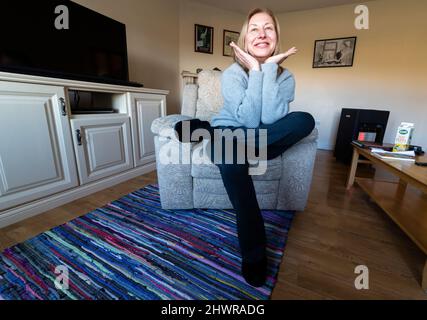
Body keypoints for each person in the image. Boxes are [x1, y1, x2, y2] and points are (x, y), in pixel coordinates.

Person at [174, 8, 315, 287]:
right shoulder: (233, 73)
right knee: (231, 158)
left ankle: (206, 131)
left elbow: (270, 119)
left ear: (276, 37)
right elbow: (248, 119)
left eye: (269, 28)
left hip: (263, 141)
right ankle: (254, 254)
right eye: (254, 28)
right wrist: (254, 70)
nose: (262, 33)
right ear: (245, 37)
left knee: (304, 120)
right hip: (234, 133)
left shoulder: (285, 77)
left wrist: (268, 69)